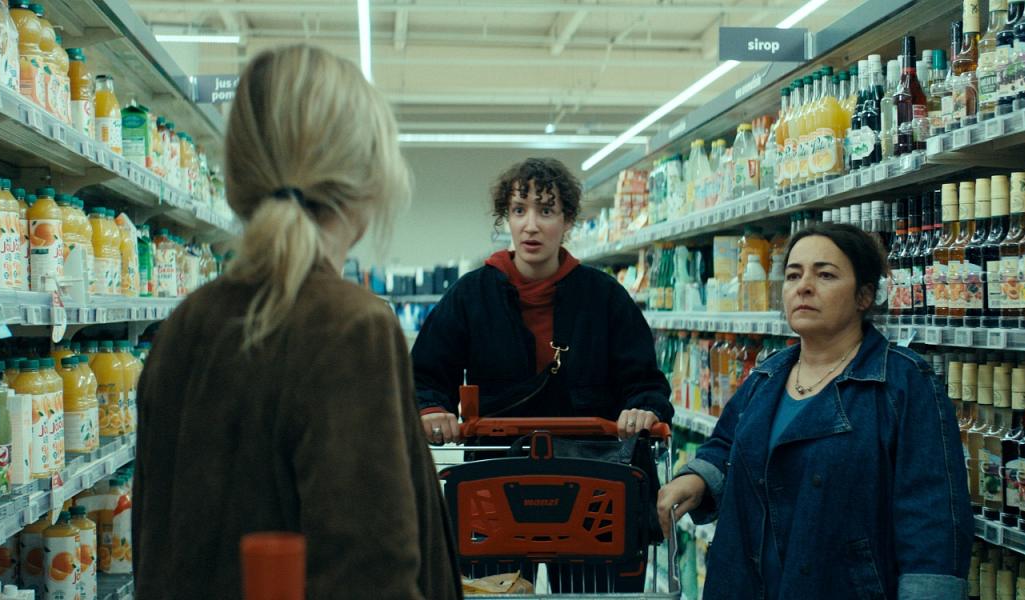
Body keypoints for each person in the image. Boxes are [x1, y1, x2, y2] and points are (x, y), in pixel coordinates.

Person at [133, 45, 462, 600]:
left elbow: (155, 541)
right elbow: (370, 578)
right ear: (367, 177)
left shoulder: (186, 323)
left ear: (239, 176)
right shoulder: (350, 327)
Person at [657, 223, 973, 600]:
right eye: (794, 275)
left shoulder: (904, 383)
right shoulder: (767, 376)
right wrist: (697, 479)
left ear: (864, 295)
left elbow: (932, 519)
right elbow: (726, 444)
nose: (804, 286)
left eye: (825, 275)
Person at [411, 157, 673, 440]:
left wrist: (643, 408)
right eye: (519, 210)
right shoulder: (470, 295)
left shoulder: (605, 297)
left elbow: (643, 381)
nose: (531, 225)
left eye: (546, 211)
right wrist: (431, 408)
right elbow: (425, 375)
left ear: (567, 220)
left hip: (588, 460)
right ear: (507, 218)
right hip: (495, 458)